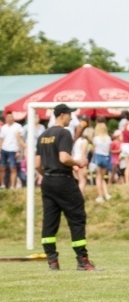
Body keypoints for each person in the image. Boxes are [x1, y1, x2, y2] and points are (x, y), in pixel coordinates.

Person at [35, 104, 97, 271]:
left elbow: (37, 164)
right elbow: (64, 158)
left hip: (47, 182)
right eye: (70, 115)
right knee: (77, 218)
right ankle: (83, 261)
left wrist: (48, 174)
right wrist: (78, 162)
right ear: (62, 115)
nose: (71, 118)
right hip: (63, 180)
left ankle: (52, 262)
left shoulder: (42, 135)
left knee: (49, 221)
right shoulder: (64, 133)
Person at [1, 113, 25, 189]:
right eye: (8, 117)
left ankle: (12, 186)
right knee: (2, 167)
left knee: (13, 168)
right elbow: (1, 139)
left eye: (11, 117)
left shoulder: (18, 127)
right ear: (6, 118)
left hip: (13, 149)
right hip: (4, 149)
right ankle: (2, 185)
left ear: (13, 118)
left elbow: (20, 139)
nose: (9, 118)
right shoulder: (4, 127)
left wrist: (19, 151)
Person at [72, 126, 91, 196]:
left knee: (77, 180)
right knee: (82, 181)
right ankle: (80, 196)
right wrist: (83, 164)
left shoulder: (76, 141)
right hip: (81, 163)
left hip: (74, 161)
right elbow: (83, 154)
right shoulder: (84, 141)